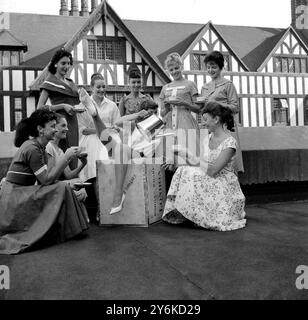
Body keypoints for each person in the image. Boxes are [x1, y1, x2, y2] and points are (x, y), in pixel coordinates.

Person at [0, 109, 89, 255]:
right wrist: (66, 157)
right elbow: (47, 180)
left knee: (62, 186)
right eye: (53, 126)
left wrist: (78, 162)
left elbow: (49, 178)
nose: (55, 130)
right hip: (14, 197)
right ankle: (65, 231)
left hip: (21, 193)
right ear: (40, 129)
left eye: (56, 126)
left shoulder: (38, 147)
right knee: (61, 187)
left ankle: (67, 230)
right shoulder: (32, 148)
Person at [162, 101, 246, 231]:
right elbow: (200, 163)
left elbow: (213, 170)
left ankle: (201, 214)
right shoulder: (207, 138)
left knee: (189, 173)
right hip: (208, 176)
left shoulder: (230, 143)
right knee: (183, 170)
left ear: (216, 119)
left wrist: (189, 155)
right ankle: (188, 213)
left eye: (205, 119)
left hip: (222, 182)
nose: (203, 123)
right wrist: (182, 155)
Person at [200, 51, 244, 173]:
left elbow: (235, 107)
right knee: (211, 161)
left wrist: (217, 104)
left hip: (225, 127)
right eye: (208, 67)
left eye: (213, 67)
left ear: (220, 67)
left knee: (228, 164)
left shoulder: (228, 84)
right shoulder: (204, 87)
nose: (210, 70)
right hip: (211, 128)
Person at [37, 48, 84, 158]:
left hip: (73, 123)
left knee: (73, 154)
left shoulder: (71, 82)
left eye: (68, 63)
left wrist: (79, 107)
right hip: (59, 123)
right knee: (63, 156)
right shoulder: (49, 82)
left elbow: (74, 102)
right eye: (63, 63)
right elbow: (39, 108)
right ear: (55, 64)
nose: (66, 66)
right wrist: (62, 106)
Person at [159, 52, 200, 170]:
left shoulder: (190, 84)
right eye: (171, 70)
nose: (174, 72)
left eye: (176, 68)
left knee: (188, 159)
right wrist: (167, 106)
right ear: (168, 71)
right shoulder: (165, 88)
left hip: (186, 123)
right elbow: (162, 114)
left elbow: (199, 109)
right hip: (170, 125)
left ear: (181, 67)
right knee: (172, 160)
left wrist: (184, 103)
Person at [46, 113, 89, 221]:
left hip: (57, 184)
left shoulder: (59, 150)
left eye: (67, 126)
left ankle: (80, 220)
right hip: (49, 187)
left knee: (80, 181)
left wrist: (83, 164)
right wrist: (66, 157)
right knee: (79, 191)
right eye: (63, 126)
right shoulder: (49, 147)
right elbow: (49, 178)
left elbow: (68, 175)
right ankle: (78, 220)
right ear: (54, 127)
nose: (67, 129)